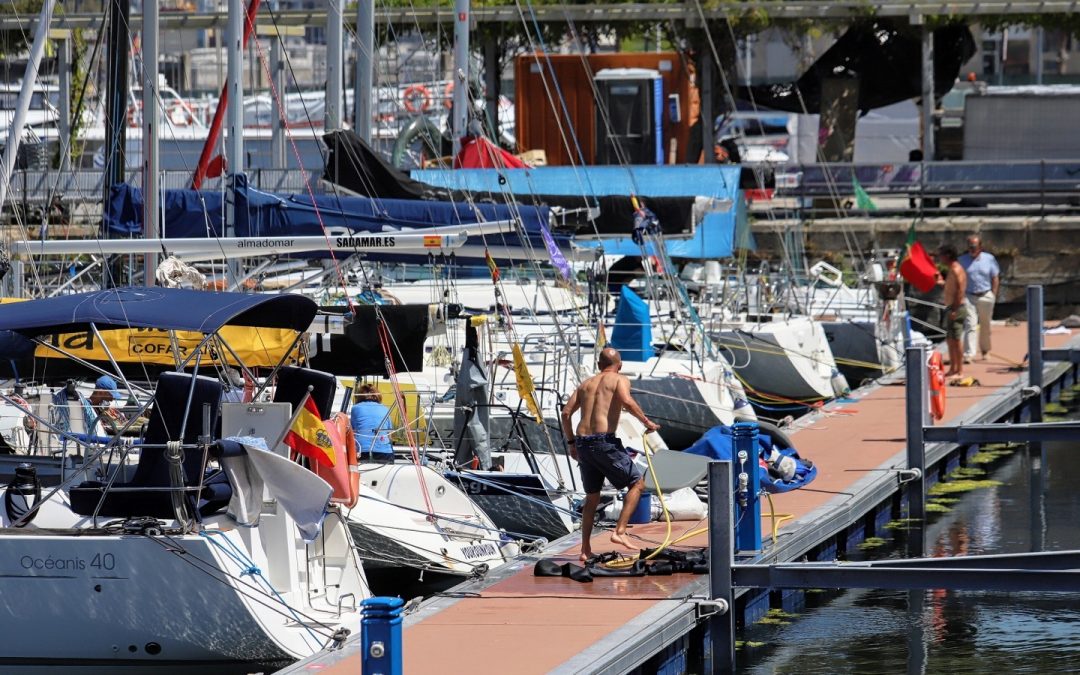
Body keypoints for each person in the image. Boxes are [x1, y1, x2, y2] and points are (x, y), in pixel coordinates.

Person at [560, 347, 661, 563]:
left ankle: (585, 549)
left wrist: (571, 444)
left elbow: (566, 413)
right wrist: (648, 423)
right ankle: (620, 531)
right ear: (620, 365)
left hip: (583, 443)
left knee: (592, 497)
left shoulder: (585, 384)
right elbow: (626, 401)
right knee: (637, 484)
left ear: (598, 365)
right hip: (603, 442)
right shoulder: (619, 379)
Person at [958, 235, 1000, 362]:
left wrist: (993, 294)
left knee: (985, 325)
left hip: (985, 294)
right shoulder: (961, 260)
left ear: (980, 247)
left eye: (974, 247)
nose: (972, 249)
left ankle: (985, 351)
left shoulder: (989, 259)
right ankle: (969, 353)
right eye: (970, 246)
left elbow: (995, 277)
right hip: (969, 296)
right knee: (970, 324)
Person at [937, 245, 968, 377]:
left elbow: (960, 290)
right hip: (950, 307)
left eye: (941, 254)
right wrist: (941, 282)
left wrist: (955, 309)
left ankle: (960, 370)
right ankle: (953, 368)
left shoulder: (956, 269)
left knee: (956, 339)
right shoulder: (951, 269)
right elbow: (951, 287)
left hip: (957, 308)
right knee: (950, 339)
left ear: (948, 255)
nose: (940, 257)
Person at [350, 383, 393, 461]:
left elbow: (352, 431)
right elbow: (389, 435)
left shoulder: (355, 408)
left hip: (362, 451)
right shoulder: (385, 408)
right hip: (384, 452)